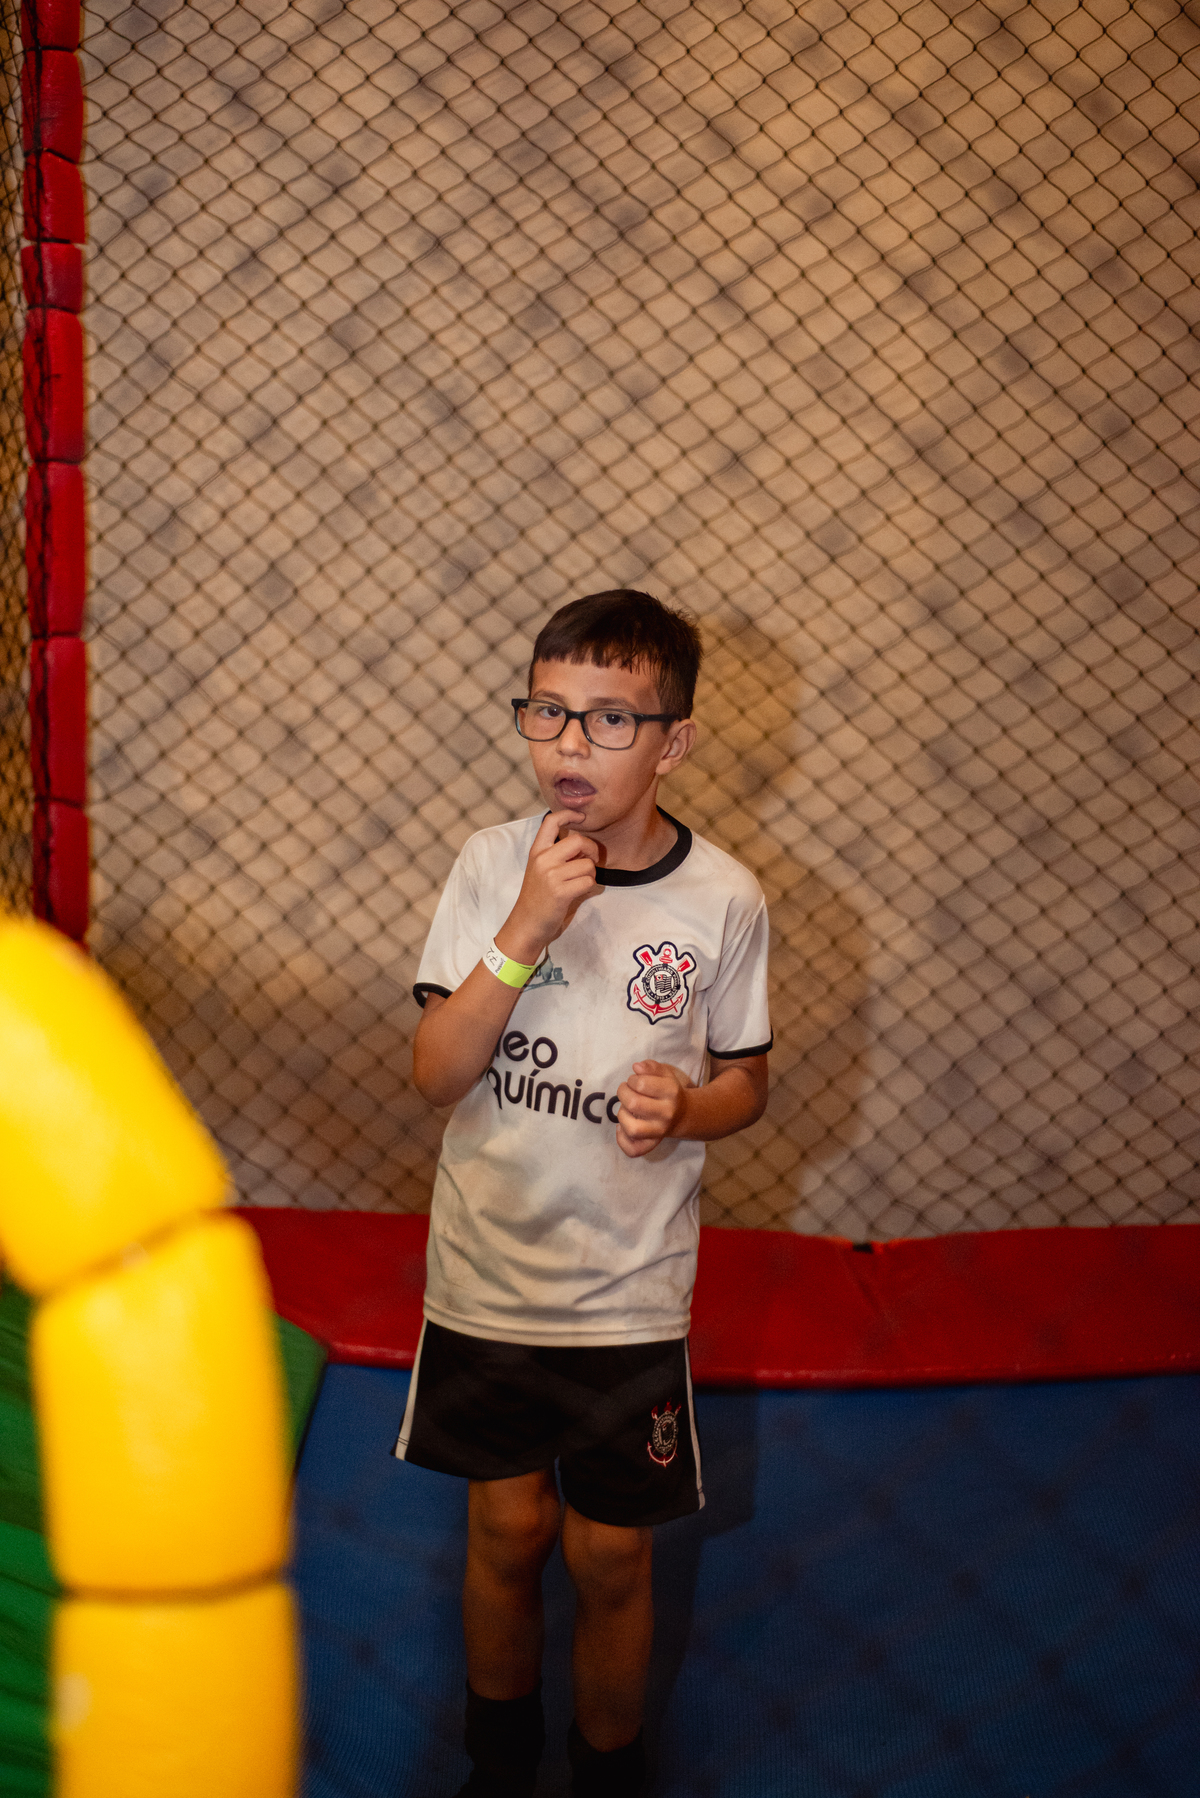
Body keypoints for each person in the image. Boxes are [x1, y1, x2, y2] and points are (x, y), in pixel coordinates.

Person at [398, 589, 772, 1797]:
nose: (570, 742)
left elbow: (748, 1081)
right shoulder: (490, 864)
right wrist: (527, 924)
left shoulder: (723, 898)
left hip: (627, 1289)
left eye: (611, 719)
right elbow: (435, 1073)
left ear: (674, 741)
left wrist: (691, 1108)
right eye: (548, 711)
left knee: (613, 1555)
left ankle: (608, 1773)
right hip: (489, 1274)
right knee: (506, 1530)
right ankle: (499, 1766)